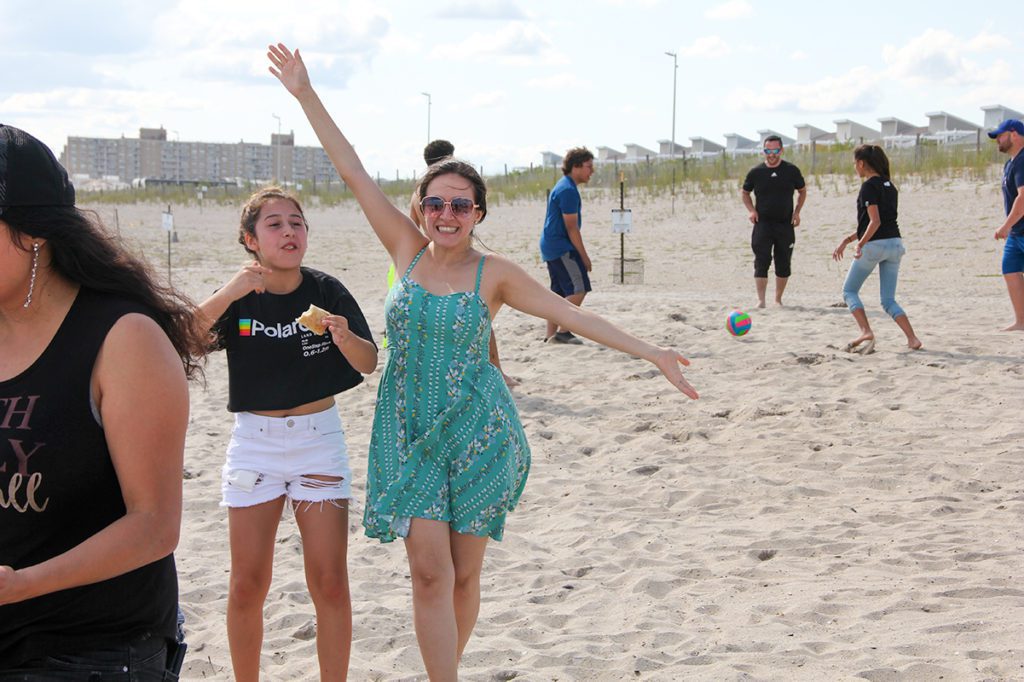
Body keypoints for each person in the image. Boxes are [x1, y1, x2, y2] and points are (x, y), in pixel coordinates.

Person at [267, 42, 697, 681]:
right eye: (436, 203)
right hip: (408, 427)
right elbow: (352, 169)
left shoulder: (494, 274)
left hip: (478, 430)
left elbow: (574, 314)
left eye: (461, 205)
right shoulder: (404, 251)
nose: (446, 215)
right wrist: (305, 94)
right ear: (421, 207)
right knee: (429, 571)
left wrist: (651, 351)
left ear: (478, 214)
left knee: (464, 577)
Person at [0, 124, 206, 678]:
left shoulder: (123, 339)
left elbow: (155, 523)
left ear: (32, 231)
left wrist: (20, 585)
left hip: (90, 649)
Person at [197, 187, 378, 681]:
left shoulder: (326, 290)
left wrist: (343, 336)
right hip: (254, 443)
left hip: (318, 440)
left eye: (296, 222)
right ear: (250, 240)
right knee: (248, 585)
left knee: (330, 583)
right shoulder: (239, 298)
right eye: (274, 224)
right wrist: (230, 291)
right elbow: (185, 338)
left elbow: (369, 362)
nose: (289, 232)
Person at [407, 140, 519, 387]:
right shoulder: (425, 193)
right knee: (477, 319)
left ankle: (495, 370)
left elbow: (412, 227)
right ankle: (496, 369)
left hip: (432, 260)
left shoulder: (421, 192)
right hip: (441, 262)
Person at [831, 144, 922, 353]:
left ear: (861, 163)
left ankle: (865, 331)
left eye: (855, 163)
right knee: (888, 299)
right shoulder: (890, 186)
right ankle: (912, 338)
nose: (855, 167)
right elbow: (871, 225)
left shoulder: (868, 186)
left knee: (849, 291)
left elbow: (875, 222)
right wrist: (847, 239)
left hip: (875, 246)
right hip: (895, 245)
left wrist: (859, 245)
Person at [741, 135, 807, 307]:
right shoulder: (756, 172)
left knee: (783, 261)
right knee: (761, 261)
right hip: (762, 224)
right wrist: (751, 211)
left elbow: (802, 191)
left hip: (785, 223)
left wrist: (797, 212)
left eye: (775, 150)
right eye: (768, 150)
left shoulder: (791, 170)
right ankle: (761, 300)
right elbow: (745, 192)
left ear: (781, 150)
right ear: (764, 151)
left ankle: (778, 299)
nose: (771, 154)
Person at [539, 147, 595, 344]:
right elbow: (572, 228)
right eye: (589, 166)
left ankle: (550, 335)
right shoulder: (568, 190)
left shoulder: (564, 186)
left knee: (558, 294)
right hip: (561, 246)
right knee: (579, 289)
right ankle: (563, 332)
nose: (592, 171)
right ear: (576, 166)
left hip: (550, 246)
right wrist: (584, 256)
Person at [988, 118, 1024, 331]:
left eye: (1000, 136)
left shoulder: (1023, 160)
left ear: (1014, 134)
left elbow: (1023, 199)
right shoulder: (1010, 163)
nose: (997, 140)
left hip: (1017, 228)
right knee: (1010, 270)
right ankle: (1021, 322)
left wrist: (1005, 226)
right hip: (1017, 232)